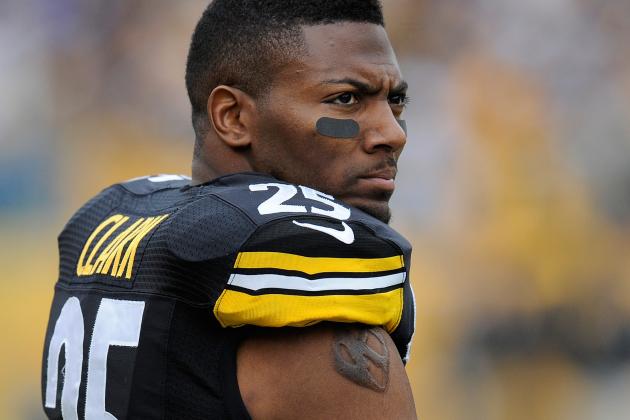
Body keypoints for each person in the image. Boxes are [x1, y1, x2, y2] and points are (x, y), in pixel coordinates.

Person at [41, 0, 417, 418]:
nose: (393, 133)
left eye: (395, 100)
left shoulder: (126, 232)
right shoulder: (303, 305)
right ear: (233, 117)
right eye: (345, 99)